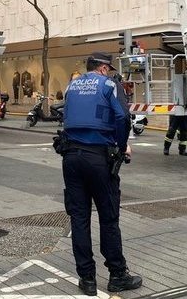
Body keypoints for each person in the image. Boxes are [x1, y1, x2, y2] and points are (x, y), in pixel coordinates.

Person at [62, 52, 142, 296]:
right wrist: (120, 147)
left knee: (79, 218)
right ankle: (117, 275)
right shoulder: (109, 85)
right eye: (109, 68)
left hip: (71, 157)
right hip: (98, 158)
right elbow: (121, 116)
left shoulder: (72, 85)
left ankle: (87, 279)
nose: (110, 72)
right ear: (103, 68)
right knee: (108, 218)